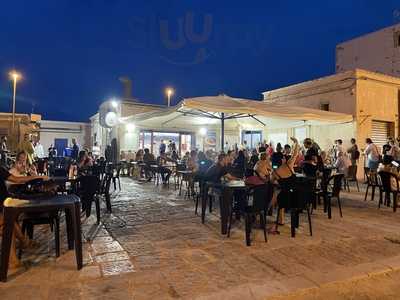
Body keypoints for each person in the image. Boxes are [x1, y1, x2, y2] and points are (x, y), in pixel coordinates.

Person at [0, 165, 48, 270]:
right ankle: (12, 261)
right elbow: (16, 179)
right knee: (7, 225)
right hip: (4, 208)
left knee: (9, 219)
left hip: (4, 207)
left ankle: (24, 242)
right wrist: (36, 177)